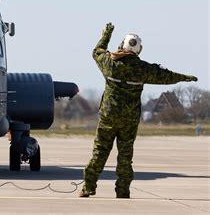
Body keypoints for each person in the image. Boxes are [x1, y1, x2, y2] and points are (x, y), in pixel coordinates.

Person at [80, 23, 198, 199]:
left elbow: (97, 50)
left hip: (108, 117)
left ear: (122, 45)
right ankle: (122, 191)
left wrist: (106, 35)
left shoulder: (109, 63)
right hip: (129, 120)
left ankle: (88, 187)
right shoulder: (143, 69)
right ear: (138, 50)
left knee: (100, 152)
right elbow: (166, 76)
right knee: (125, 156)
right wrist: (184, 78)